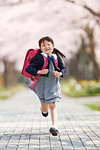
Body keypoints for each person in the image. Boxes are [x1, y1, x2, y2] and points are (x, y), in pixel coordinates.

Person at [25, 36, 67, 136]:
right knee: (45, 106)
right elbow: (29, 69)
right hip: (41, 84)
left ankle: (54, 126)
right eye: (43, 45)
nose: (46, 46)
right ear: (40, 48)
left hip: (53, 84)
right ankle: (43, 110)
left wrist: (60, 73)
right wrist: (39, 71)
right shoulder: (40, 57)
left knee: (52, 104)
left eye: (49, 44)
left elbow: (63, 68)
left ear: (53, 46)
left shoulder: (56, 57)